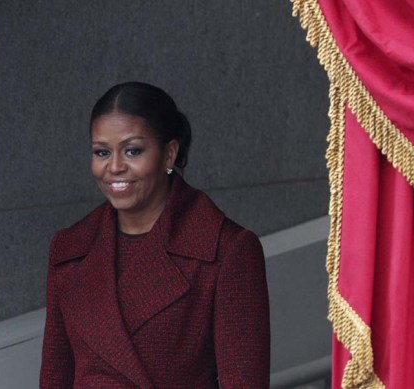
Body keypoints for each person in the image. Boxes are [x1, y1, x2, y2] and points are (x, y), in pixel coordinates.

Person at [39, 82, 270, 388]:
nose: (115, 167)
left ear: (169, 154)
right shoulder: (69, 249)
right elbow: (55, 378)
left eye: (133, 150)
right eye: (102, 152)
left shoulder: (227, 250)